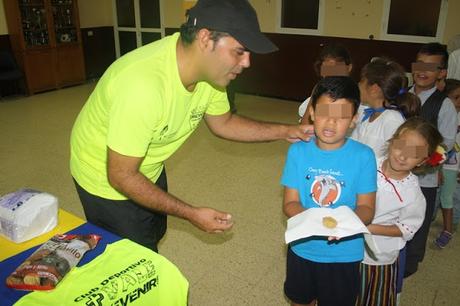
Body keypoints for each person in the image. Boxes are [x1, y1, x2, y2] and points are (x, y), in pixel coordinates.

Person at [69, 0, 313, 252]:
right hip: (105, 179)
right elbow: (121, 175)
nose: (247, 62)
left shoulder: (211, 74)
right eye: (239, 51)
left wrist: (287, 131)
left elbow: (224, 123)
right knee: (133, 259)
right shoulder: (143, 86)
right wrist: (191, 213)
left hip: (145, 164)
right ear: (205, 38)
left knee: (153, 230)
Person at [281, 76, 377, 306]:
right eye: (324, 113)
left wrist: (344, 224)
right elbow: (289, 203)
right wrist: (315, 220)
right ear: (312, 112)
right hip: (304, 247)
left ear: (354, 119)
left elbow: (366, 208)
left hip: (344, 254)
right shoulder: (298, 152)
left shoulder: (364, 156)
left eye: (342, 116)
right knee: (300, 299)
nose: (331, 123)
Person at [357, 117, 443, 306]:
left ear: (423, 160)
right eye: (401, 146)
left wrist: (369, 228)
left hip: (378, 257)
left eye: (413, 154)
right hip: (347, 247)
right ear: (392, 140)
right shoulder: (366, 164)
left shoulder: (412, 193)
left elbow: (406, 229)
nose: (403, 156)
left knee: (370, 297)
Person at [405, 42, 457, 276]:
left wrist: (426, 165)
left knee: (419, 220)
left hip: (423, 178)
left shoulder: (444, 105)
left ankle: (411, 262)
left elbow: (446, 144)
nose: (422, 71)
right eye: (419, 64)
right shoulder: (400, 95)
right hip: (396, 173)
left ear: (442, 73)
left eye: (431, 66)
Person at [351, 57, 421, 159]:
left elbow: (408, 153)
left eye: (362, 81)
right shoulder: (365, 111)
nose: (358, 84)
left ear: (374, 89)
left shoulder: (391, 118)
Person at [434, 79, 460, 248]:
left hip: (453, 165)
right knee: (434, 196)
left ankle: (448, 229)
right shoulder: (442, 116)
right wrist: (438, 168)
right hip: (438, 163)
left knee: (447, 197)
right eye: (456, 97)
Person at [298, 43, 353, 124]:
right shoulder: (320, 88)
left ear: (348, 68)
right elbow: (305, 123)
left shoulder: (353, 91)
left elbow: (347, 112)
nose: (330, 75)